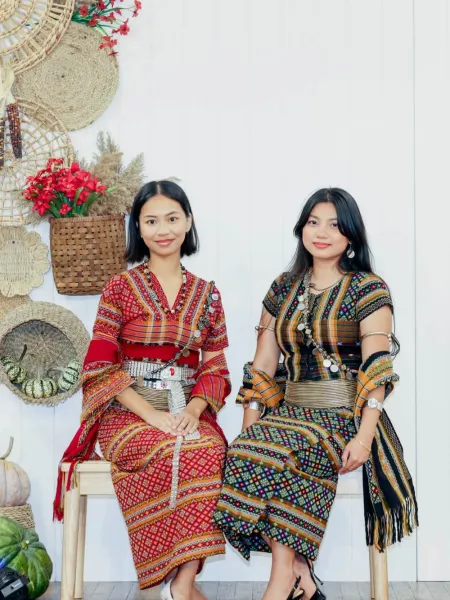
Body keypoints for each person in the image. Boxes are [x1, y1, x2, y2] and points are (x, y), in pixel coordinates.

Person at [213, 188, 418, 600]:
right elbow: (263, 365)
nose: (321, 233)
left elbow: (377, 370)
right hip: (288, 413)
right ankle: (300, 573)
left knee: (287, 456)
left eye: (334, 225)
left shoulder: (368, 288)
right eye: (313, 222)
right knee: (244, 453)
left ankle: (281, 581)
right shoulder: (282, 288)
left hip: (343, 415)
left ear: (351, 235)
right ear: (301, 228)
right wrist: (249, 431)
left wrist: (364, 437)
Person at [54, 181, 231, 600]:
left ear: (188, 222)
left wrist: (194, 410)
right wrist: (151, 415)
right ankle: (168, 582)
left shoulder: (207, 294)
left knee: (208, 449)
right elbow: (99, 366)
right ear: (138, 227)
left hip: (186, 410)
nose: (162, 230)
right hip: (128, 414)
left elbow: (216, 367)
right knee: (171, 448)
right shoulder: (119, 288)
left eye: (172, 218)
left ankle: (182, 585)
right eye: (151, 221)